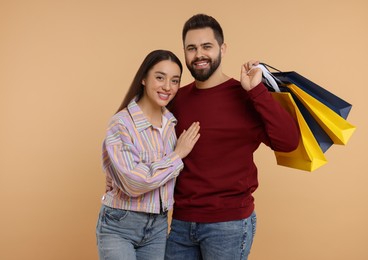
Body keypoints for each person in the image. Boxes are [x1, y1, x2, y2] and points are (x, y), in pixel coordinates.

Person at [164, 14, 300, 260]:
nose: (199, 55)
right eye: (191, 48)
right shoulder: (176, 99)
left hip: (228, 225)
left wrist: (257, 91)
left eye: (207, 46)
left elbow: (289, 142)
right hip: (181, 223)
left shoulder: (247, 94)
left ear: (222, 48)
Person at [96, 49, 200, 260]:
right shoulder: (121, 123)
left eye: (174, 80)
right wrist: (177, 155)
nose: (167, 87)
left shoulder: (171, 124)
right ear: (143, 78)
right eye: (160, 77)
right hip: (120, 225)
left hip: (158, 226)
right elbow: (135, 183)